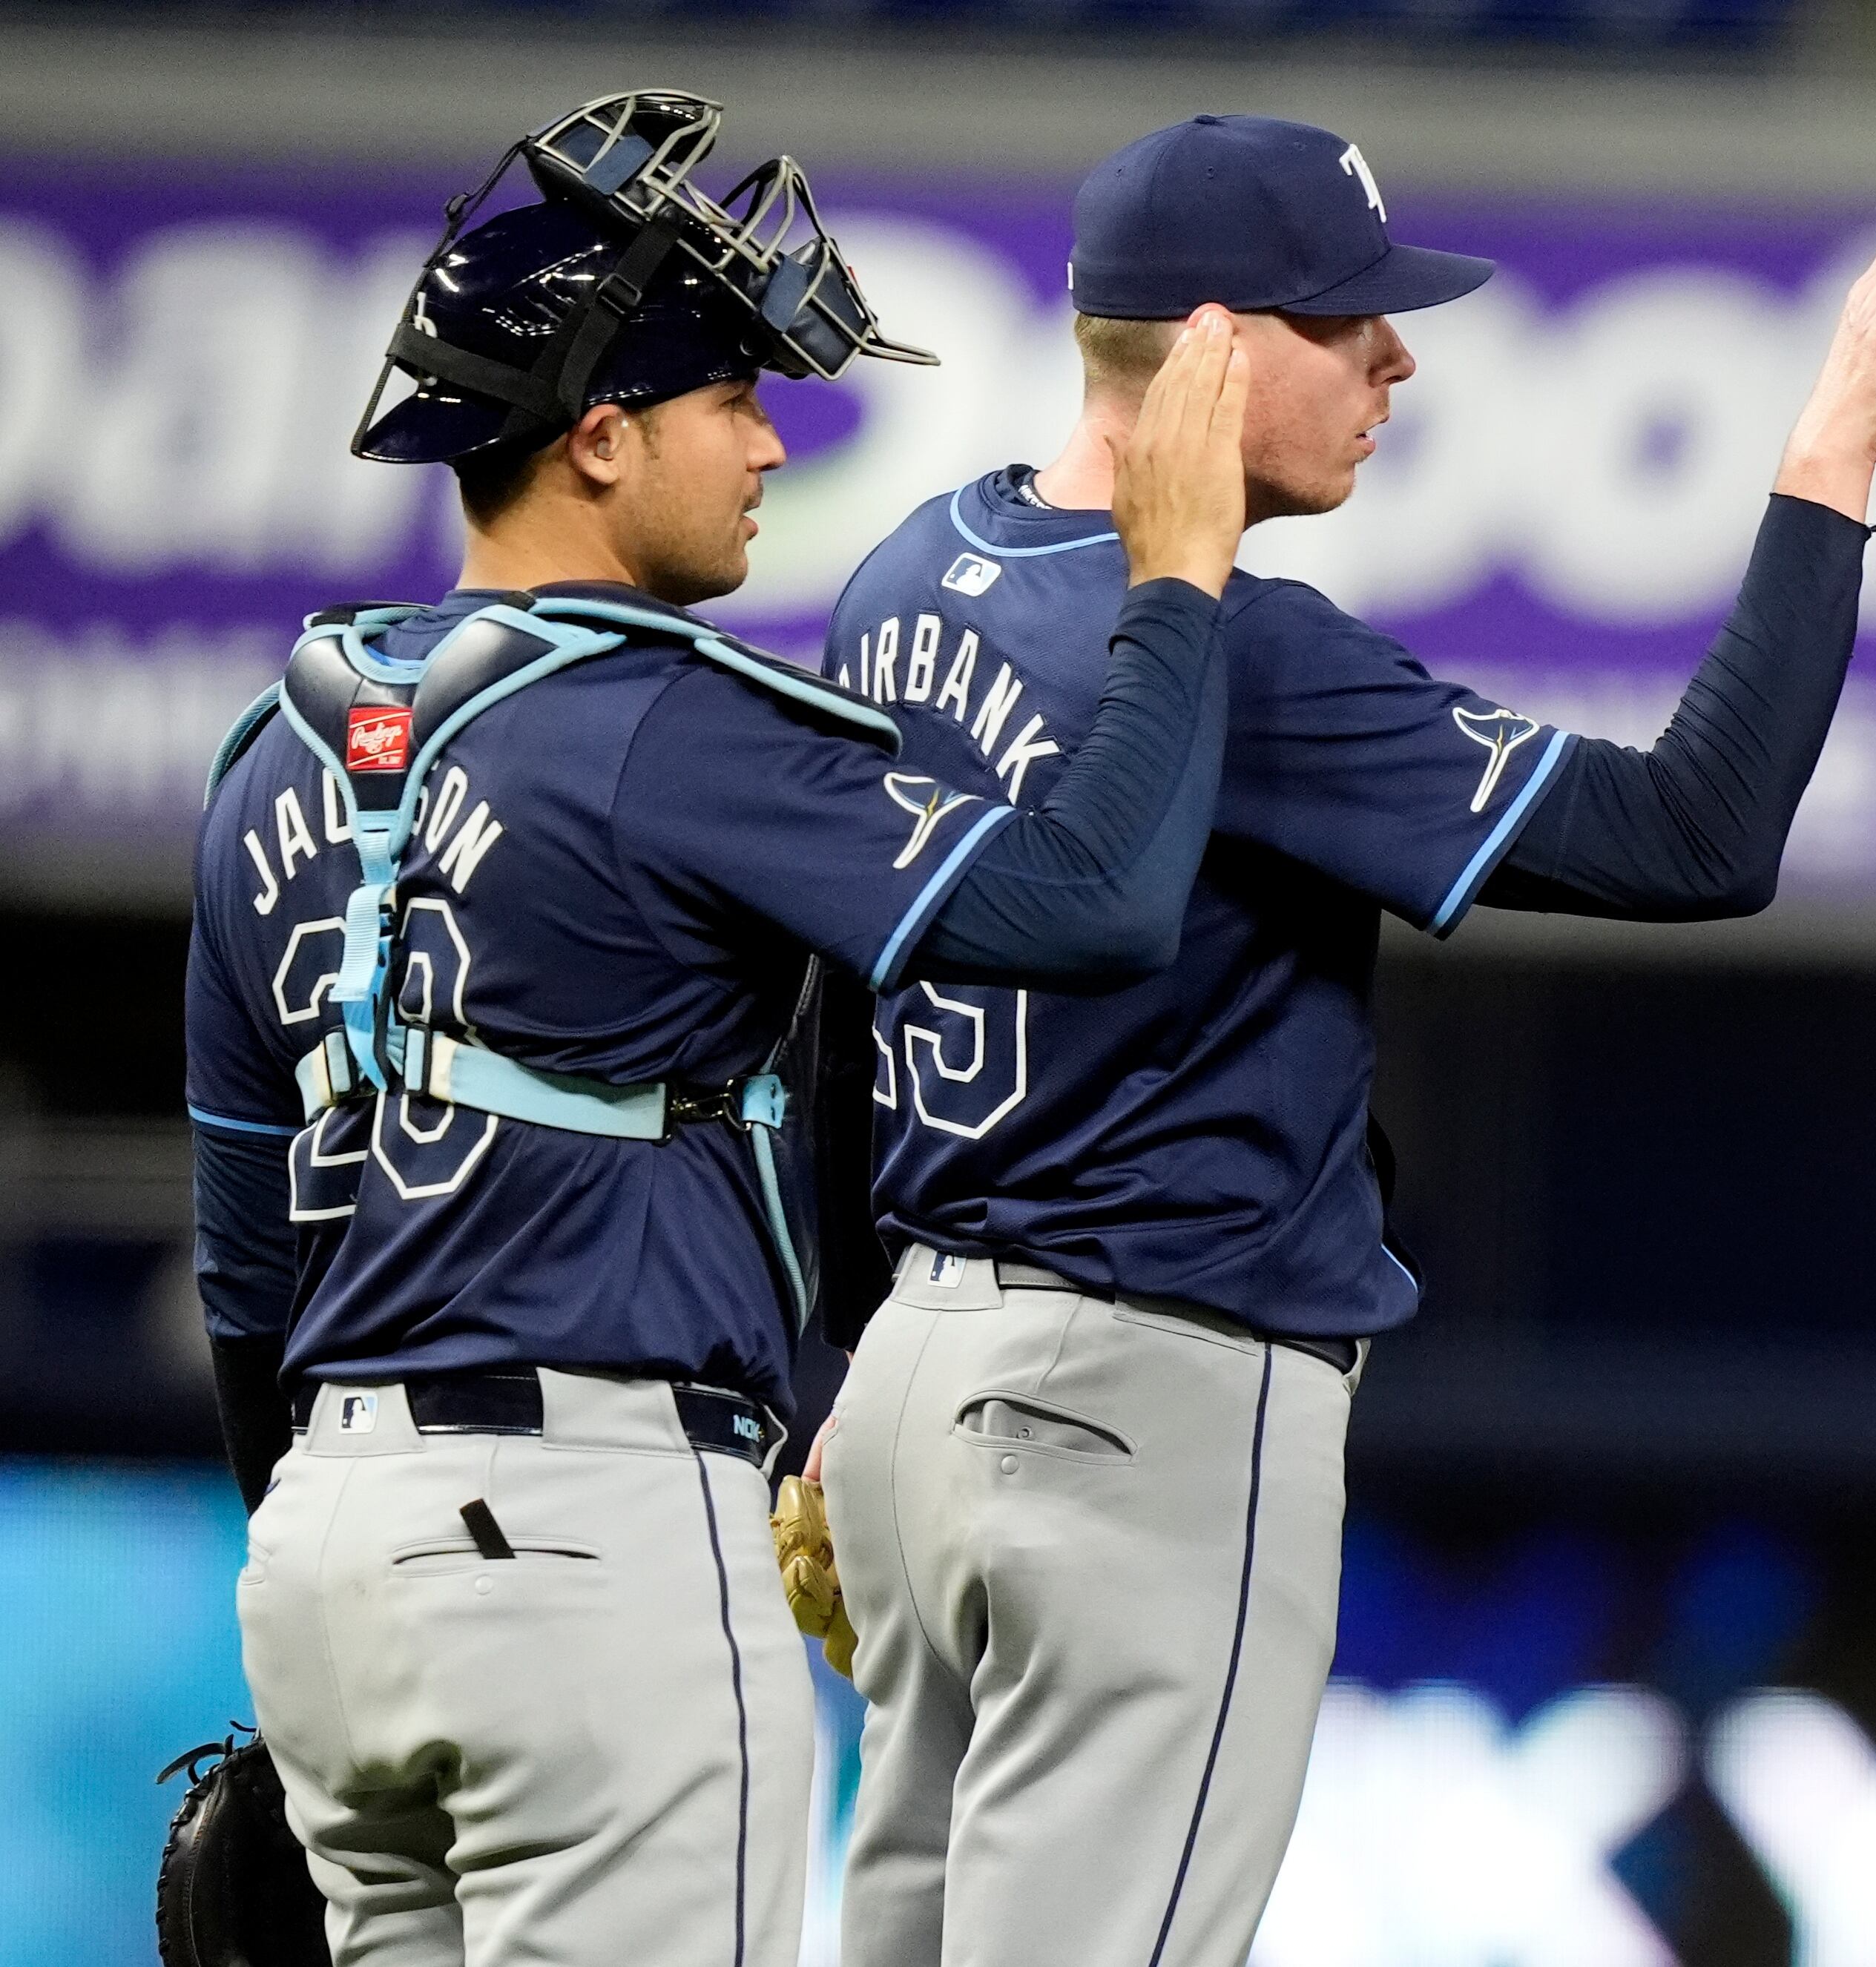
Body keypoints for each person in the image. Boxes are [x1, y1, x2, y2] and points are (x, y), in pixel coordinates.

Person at [812, 113, 1876, 1967]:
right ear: (1214, 345)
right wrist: (1839, 439)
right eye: (1346, 319)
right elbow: (1698, 834)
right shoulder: (1234, 648)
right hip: (1142, 1398)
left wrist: (839, 1368)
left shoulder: (900, 574)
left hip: (915, 1375)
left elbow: (820, 1014)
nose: (1396, 359)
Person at [187, 90, 1252, 1964]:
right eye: (731, 400)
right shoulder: (668, 723)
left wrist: (344, 1570)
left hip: (323, 1569)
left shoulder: (267, 759)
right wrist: (1173, 585)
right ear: (598, 439)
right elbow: (1092, 905)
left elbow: (243, 1288)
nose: (769, 442)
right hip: (586, 1540)